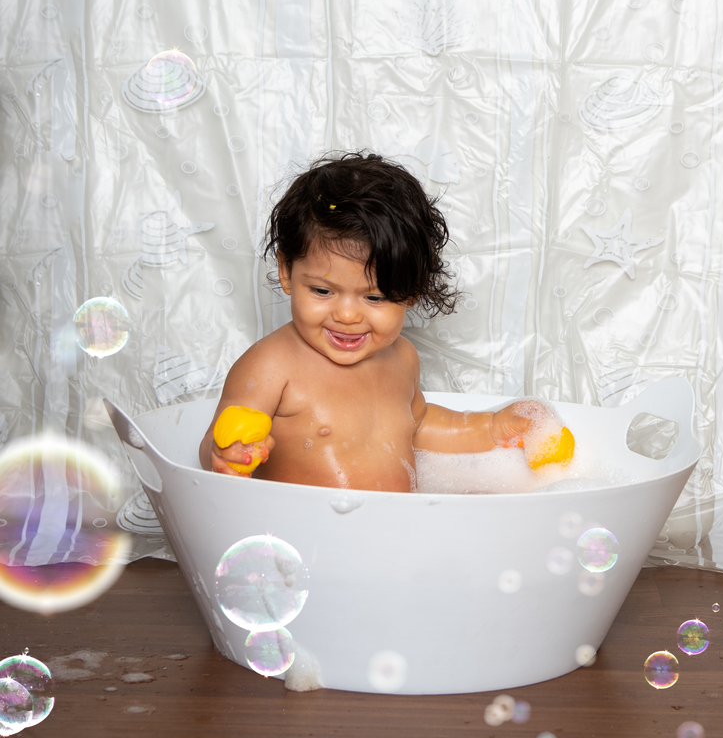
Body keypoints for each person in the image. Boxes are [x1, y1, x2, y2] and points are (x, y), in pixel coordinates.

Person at [198, 151, 535, 490]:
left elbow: (418, 426)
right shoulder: (271, 365)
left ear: (412, 290)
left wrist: (490, 428)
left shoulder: (402, 357)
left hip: (394, 522)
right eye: (322, 291)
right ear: (286, 271)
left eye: (374, 298)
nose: (347, 316)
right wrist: (230, 451)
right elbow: (214, 442)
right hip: (301, 520)